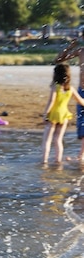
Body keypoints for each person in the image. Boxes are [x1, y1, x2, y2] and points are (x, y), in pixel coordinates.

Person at [41, 64, 84, 164]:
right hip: (64, 115)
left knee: (47, 139)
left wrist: (45, 114)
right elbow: (81, 101)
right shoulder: (70, 89)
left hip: (54, 115)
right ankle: (58, 160)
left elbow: (51, 101)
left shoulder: (55, 87)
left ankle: (44, 161)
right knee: (58, 140)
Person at [55, 30, 84, 162]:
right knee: (82, 123)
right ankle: (81, 155)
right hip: (81, 90)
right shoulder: (80, 51)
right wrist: (69, 47)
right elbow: (58, 60)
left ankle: (81, 155)